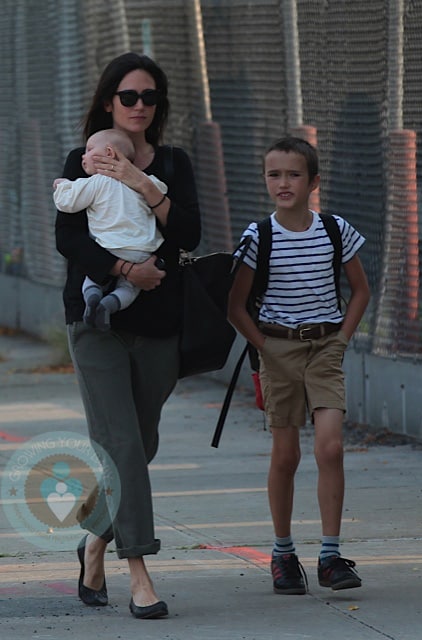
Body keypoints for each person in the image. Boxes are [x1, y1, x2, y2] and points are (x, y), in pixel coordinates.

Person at [55, 52, 201, 619]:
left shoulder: (172, 162)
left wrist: (140, 181)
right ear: (108, 101)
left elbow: (188, 231)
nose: (139, 106)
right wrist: (123, 271)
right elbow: (70, 237)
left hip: (159, 323)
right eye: (128, 96)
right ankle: (139, 570)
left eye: (149, 97)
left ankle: (93, 543)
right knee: (121, 446)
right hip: (98, 322)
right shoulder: (85, 157)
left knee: (140, 446)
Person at [228, 136, 370, 596]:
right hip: (278, 352)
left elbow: (360, 290)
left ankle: (330, 556)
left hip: (326, 349)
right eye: (274, 174)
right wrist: (263, 346)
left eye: (293, 174)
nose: (283, 183)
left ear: (313, 181)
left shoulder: (334, 229)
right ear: (265, 180)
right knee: (286, 456)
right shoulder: (258, 237)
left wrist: (342, 340)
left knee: (330, 448)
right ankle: (283, 554)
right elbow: (234, 305)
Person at [53, 128, 167, 330]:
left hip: (109, 248)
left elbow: (67, 202)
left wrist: (62, 185)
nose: (83, 155)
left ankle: (93, 300)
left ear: (108, 153)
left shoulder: (96, 182)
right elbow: (161, 190)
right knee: (130, 289)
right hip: (142, 251)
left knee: (92, 279)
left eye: (89, 150)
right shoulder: (142, 181)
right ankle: (109, 305)